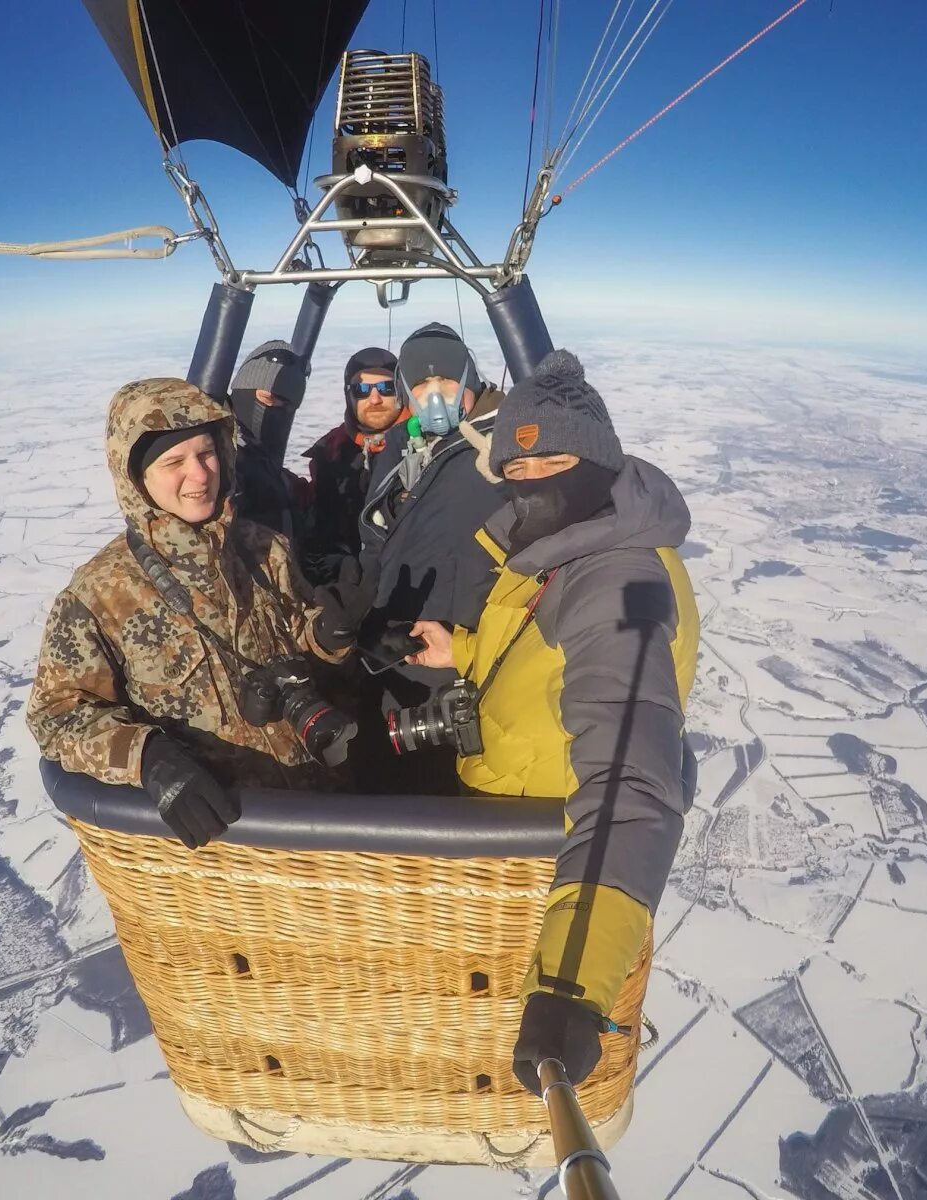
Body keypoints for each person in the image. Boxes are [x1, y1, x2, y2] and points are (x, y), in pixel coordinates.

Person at [404, 349, 700, 1097]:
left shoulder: (617, 579)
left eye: (555, 459)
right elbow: (544, 661)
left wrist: (571, 988)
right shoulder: (571, 548)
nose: (532, 482)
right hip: (500, 795)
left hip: (533, 859)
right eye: (516, 469)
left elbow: (631, 784)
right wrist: (462, 651)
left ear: (599, 463)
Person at [26, 377, 364, 849]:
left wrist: (328, 637)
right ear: (136, 476)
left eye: (206, 454)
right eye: (174, 462)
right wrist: (147, 756)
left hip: (324, 817)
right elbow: (57, 716)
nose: (200, 475)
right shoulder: (101, 593)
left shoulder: (266, 551)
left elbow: (310, 654)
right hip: (226, 840)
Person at [335, 322, 508, 790]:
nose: (436, 395)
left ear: (471, 380)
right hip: (396, 652)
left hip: (456, 663)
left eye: (448, 381)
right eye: (423, 384)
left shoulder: (501, 451)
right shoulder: (403, 448)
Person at [298, 346, 403, 585]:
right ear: (350, 395)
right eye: (362, 390)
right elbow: (321, 528)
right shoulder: (332, 452)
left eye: (386, 388)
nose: (374, 399)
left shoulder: (427, 448)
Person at [228, 340, 311, 542]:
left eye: (286, 404)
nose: (276, 408)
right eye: (268, 398)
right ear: (243, 390)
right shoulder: (222, 457)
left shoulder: (262, 459)